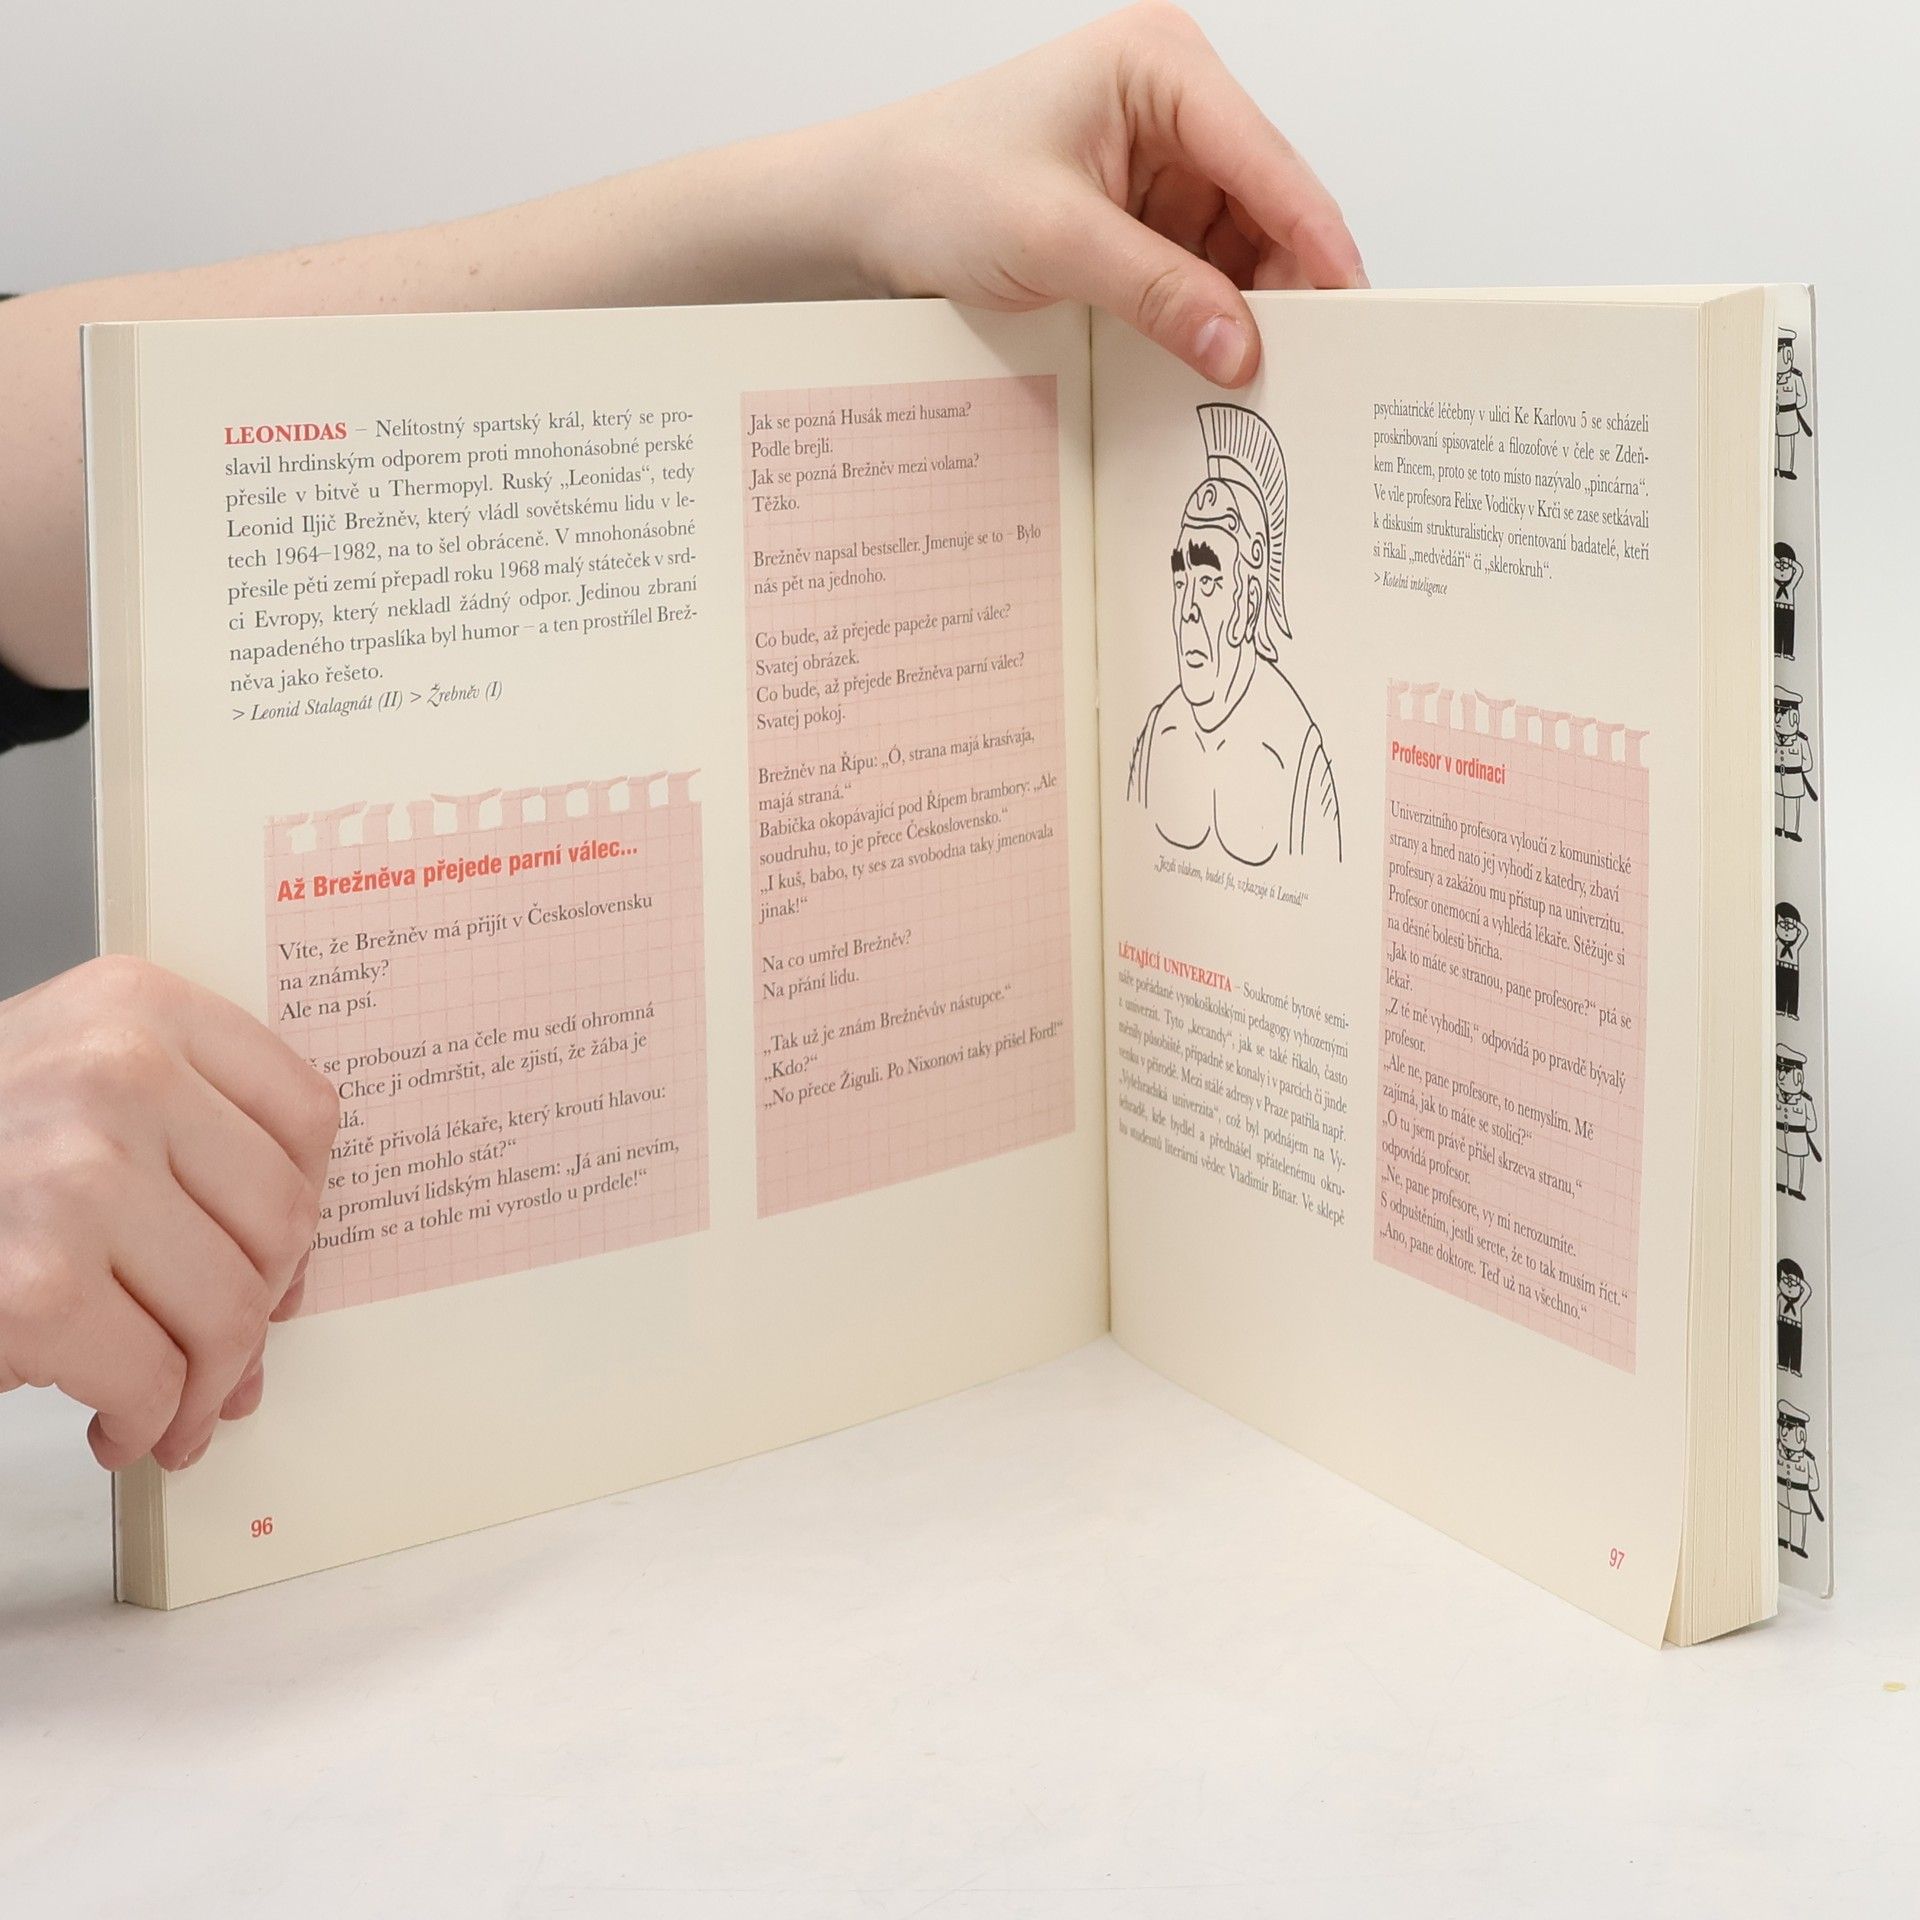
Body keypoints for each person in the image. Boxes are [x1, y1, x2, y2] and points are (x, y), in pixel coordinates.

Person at [0, 5, 1366, 1474]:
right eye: (1182, 564)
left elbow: (58, 451)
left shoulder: (1287, 755)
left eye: (1216, 569)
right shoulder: (1167, 746)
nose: (1189, 595)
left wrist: (858, 197)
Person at [1126, 401, 1340, 862]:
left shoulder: (1296, 754)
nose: (1187, 610)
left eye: (1208, 582)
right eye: (1181, 581)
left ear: (1249, 602)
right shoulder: (1157, 732)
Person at [1776, 1398, 1821, 1558]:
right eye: (1782, 1426)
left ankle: (1796, 1545)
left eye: (1789, 1428)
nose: (1784, 1433)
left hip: (1799, 1497)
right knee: (1782, 1516)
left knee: (1797, 1521)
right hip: (1782, 1492)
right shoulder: (1777, 1450)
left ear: (1801, 1434)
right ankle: (1783, 1539)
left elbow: (1814, 1483)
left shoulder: (1807, 1459)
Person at [1775, 901, 1808, 1020]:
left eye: (1790, 926)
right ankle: (1779, 1008)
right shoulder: (1777, 942)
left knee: (1793, 991)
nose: (1786, 929)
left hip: (1792, 970)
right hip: (1779, 967)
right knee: (1780, 989)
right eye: (1782, 925)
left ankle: (1792, 1011)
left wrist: (1794, 922)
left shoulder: (1795, 946)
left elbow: (1804, 932)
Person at [1776, 1258, 1809, 1378]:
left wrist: (1797, 1279)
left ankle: (1795, 1368)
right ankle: (1783, 1363)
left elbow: (1807, 1290)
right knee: (1783, 1344)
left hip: (1796, 1326)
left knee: (1795, 1347)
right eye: (1785, 1280)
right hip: (1783, 1323)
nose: (1789, 1285)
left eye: (1794, 1283)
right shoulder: (1780, 1298)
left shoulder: (1799, 1302)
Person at [1772, 541, 1803, 660]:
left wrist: (1789, 561)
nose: (1781, 569)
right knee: (1777, 630)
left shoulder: (1791, 586)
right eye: (1777, 565)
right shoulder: (1772, 584)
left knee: (1788, 631)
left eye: (1785, 566)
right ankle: (1776, 650)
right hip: (1776, 608)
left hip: (1788, 610)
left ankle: (1788, 652)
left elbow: (1799, 570)